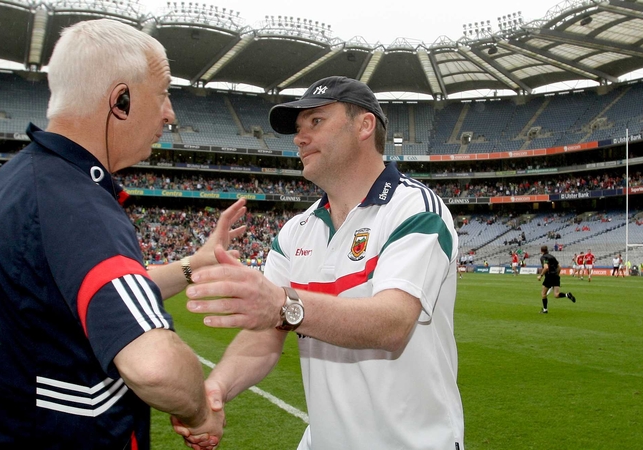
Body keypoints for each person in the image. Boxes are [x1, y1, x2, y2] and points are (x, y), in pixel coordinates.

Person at [0, 19, 243, 450]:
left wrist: (192, 266)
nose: (170, 113)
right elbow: (155, 367)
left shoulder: (20, 175)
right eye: (163, 93)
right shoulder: (76, 202)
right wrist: (200, 411)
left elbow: (91, 295)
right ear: (121, 101)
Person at [180, 76, 464, 449]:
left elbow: (393, 323)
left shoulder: (414, 208)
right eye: (298, 129)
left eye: (316, 121)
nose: (299, 138)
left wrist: (283, 304)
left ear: (364, 126)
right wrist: (215, 390)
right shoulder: (294, 232)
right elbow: (264, 336)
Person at [537, 245, 576, 314]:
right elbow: (559, 267)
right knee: (556, 294)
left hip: (549, 276)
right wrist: (556, 275)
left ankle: (545, 310)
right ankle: (567, 295)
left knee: (543, 294)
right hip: (556, 276)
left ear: (541, 251)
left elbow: (546, 267)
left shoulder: (543, 257)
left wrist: (541, 275)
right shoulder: (552, 257)